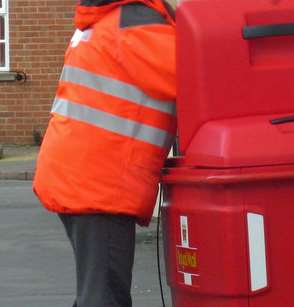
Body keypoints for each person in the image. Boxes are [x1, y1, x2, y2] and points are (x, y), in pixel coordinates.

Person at [33, 0, 176, 306]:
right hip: (100, 183)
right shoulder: (136, 19)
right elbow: (193, 77)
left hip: (82, 173)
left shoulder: (110, 17)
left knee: (97, 291)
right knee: (104, 296)